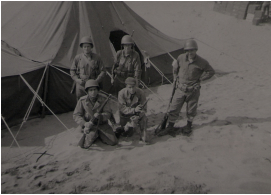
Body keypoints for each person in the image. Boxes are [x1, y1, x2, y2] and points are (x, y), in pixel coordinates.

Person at [157, 39, 215, 137]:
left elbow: (211, 72)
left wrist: (200, 80)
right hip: (180, 89)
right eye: (188, 50)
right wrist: (175, 77)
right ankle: (170, 127)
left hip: (193, 90)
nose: (190, 52)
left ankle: (188, 126)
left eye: (192, 50)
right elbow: (175, 68)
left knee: (191, 110)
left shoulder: (202, 62)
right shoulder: (181, 58)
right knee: (174, 108)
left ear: (196, 50)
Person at [73, 79, 118, 147]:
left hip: (102, 124)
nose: (93, 92)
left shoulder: (104, 99)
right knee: (86, 144)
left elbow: (108, 113)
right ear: (87, 91)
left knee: (113, 142)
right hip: (90, 125)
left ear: (98, 90)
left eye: (95, 89)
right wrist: (85, 123)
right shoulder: (82, 100)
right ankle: (94, 134)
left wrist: (101, 116)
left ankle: (99, 134)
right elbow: (76, 115)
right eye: (90, 90)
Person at [70, 36, 105, 100]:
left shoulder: (97, 57)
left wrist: (97, 81)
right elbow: (72, 71)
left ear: (91, 47)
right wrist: (77, 80)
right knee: (81, 102)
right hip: (81, 85)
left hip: (93, 85)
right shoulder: (78, 58)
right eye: (84, 46)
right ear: (82, 47)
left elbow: (103, 71)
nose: (86, 48)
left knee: (94, 101)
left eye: (88, 46)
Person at [117, 77, 149, 142]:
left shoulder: (140, 93)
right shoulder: (121, 93)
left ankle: (143, 130)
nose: (132, 89)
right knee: (127, 134)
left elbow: (144, 109)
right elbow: (122, 109)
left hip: (136, 114)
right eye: (129, 87)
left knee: (145, 138)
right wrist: (134, 110)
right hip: (125, 115)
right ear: (126, 86)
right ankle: (128, 126)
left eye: (133, 87)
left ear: (136, 86)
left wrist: (138, 116)